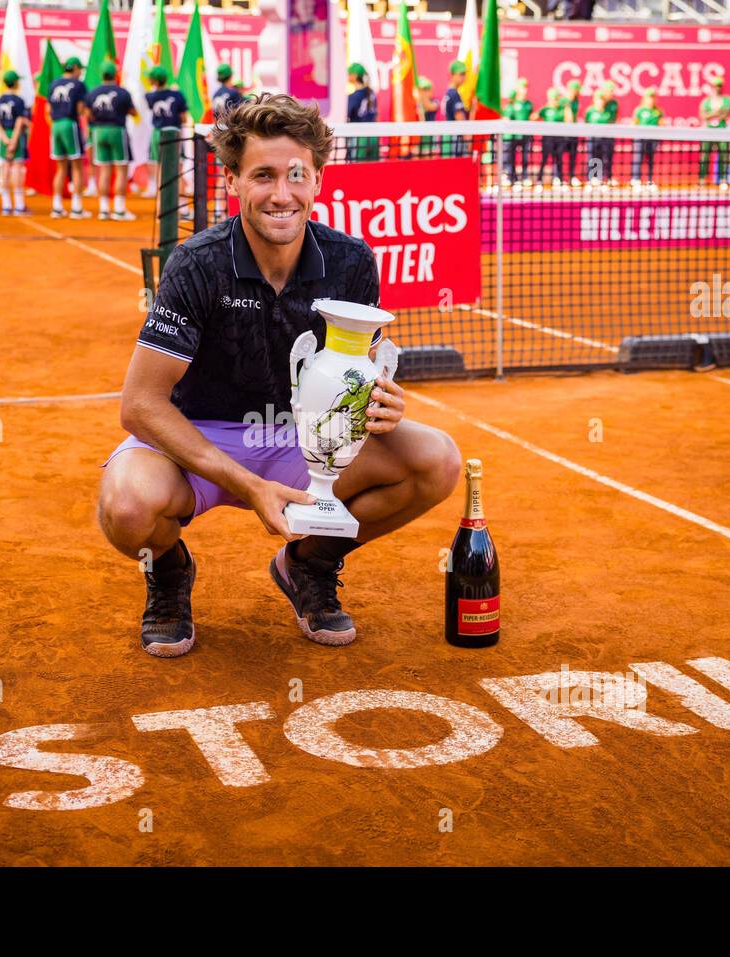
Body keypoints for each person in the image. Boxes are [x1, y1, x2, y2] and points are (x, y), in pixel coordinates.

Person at [97, 93, 459, 658]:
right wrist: (251, 487)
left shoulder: (352, 263)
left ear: (317, 180)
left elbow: (363, 370)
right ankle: (168, 572)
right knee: (127, 507)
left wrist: (383, 401)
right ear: (233, 182)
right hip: (203, 435)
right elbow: (140, 406)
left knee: (436, 461)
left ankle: (308, 563)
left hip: (305, 438)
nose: (280, 194)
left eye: (296, 175)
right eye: (262, 175)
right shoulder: (197, 264)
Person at [85, 60, 138, 222]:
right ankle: (119, 209)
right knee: (121, 170)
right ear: (115, 74)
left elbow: (87, 115)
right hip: (117, 130)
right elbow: (134, 112)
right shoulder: (123, 93)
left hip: (98, 131)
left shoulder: (92, 93)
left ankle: (103, 209)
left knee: (104, 170)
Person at [48, 56, 90, 219]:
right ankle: (76, 207)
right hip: (69, 123)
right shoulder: (78, 85)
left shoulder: (53, 84)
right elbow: (80, 109)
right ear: (75, 69)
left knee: (60, 167)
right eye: (80, 70)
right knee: (77, 166)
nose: (80, 73)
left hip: (56, 124)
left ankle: (57, 207)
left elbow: (48, 107)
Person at [144, 64, 187, 212]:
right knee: (178, 170)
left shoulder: (150, 96)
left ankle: (162, 207)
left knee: (160, 170)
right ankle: (183, 208)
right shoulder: (178, 95)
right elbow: (184, 117)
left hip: (158, 134)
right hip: (174, 133)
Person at [0, 70, 31, 216]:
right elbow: (20, 120)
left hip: (4, 135)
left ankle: (6, 204)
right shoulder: (19, 100)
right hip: (15, 134)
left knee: (4, 168)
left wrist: (4, 138)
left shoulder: (0, 99)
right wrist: (14, 140)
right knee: (16, 167)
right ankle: (19, 205)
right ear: (16, 83)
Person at [698, 76, 730, 187]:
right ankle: (702, 179)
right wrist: (716, 112)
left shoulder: (727, 100)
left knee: (723, 155)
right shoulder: (706, 101)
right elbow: (703, 115)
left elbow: (725, 114)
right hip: (708, 132)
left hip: (722, 131)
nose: (716, 88)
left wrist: (711, 114)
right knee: (705, 156)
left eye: (719, 86)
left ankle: (723, 179)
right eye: (714, 86)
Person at [502, 77, 534, 186]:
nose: (524, 90)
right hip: (513, 137)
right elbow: (506, 120)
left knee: (526, 157)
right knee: (510, 158)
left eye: (526, 88)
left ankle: (525, 177)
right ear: (518, 89)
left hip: (525, 136)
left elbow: (530, 118)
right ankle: (511, 178)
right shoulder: (511, 106)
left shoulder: (529, 104)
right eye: (522, 87)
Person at [346, 62, 379, 162]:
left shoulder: (353, 97)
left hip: (359, 138)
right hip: (374, 137)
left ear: (354, 76)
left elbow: (345, 116)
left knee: (356, 171)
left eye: (349, 74)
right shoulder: (371, 93)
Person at [630, 87, 662, 188]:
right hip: (640, 139)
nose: (651, 100)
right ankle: (636, 180)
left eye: (653, 97)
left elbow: (662, 125)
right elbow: (634, 123)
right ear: (645, 98)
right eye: (649, 97)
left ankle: (649, 181)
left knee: (650, 160)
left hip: (653, 139)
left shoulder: (658, 111)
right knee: (638, 159)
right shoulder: (639, 110)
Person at [536, 87, 568, 188]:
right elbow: (533, 117)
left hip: (559, 138)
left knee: (558, 158)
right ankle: (539, 180)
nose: (554, 101)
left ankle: (559, 179)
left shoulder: (562, 110)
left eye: (555, 99)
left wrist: (567, 107)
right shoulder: (545, 110)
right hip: (547, 138)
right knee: (544, 159)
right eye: (552, 99)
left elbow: (569, 120)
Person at [583, 89, 613, 187]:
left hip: (605, 139)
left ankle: (602, 180)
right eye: (598, 99)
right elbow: (586, 122)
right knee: (592, 159)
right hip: (592, 139)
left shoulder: (608, 112)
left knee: (603, 159)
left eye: (602, 99)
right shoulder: (590, 111)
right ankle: (590, 179)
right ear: (594, 100)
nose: (600, 101)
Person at [443, 60, 469, 158]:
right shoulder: (453, 94)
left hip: (448, 140)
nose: (464, 77)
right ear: (452, 75)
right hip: (454, 141)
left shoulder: (449, 93)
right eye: (461, 74)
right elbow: (460, 120)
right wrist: (468, 142)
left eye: (465, 74)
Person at [561, 79, 582, 186]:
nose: (577, 92)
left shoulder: (577, 101)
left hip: (573, 133)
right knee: (559, 155)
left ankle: (572, 176)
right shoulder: (564, 101)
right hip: (563, 133)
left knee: (573, 155)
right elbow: (567, 117)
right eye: (575, 90)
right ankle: (559, 177)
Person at [417, 76, 438, 154]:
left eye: (426, 89)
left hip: (431, 138)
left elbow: (430, 106)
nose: (425, 92)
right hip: (420, 139)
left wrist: (421, 96)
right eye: (423, 90)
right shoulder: (416, 104)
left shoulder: (435, 102)